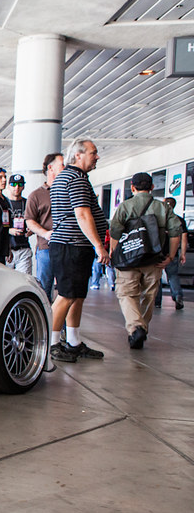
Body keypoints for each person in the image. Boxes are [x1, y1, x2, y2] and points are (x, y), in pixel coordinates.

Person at [47, 137, 109, 363]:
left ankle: (73, 342)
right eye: (94, 152)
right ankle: (51, 345)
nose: (97, 157)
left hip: (75, 246)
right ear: (78, 155)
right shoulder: (75, 178)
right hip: (70, 246)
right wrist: (99, 245)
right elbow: (82, 214)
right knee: (65, 296)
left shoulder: (74, 177)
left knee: (77, 296)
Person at [109, 173, 184, 349]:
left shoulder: (125, 206)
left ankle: (136, 327)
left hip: (128, 260)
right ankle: (141, 328)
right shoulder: (163, 207)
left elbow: (115, 231)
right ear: (151, 188)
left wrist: (113, 252)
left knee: (127, 294)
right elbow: (175, 232)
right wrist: (171, 256)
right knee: (149, 295)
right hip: (153, 260)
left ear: (132, 188)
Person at [25, 152, 65, 302]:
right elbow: (29, 220)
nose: (66, 168)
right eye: (62, 165)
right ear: (51, 168)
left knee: (66, 292)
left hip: (67, 248)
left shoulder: (67, 192)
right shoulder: (36, 195)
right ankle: (47, 324)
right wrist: (45, 233)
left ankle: (63, 326)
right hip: (46, 249)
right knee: (44, 290)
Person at [153, 197, 186, 310]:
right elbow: (183, 238)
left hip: (158, 253)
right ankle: (178, 296)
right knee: (173, 276)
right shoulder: (180, 220)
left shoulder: (157, 220)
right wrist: (182, 253)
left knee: (157, 277)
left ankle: (157, 301)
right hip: (172, 253)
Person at [6, 173, 32, 274]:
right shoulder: (3, 203)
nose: (17, 188)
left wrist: (31, 230)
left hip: (23, 247)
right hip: (7, 249)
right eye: (13, 184)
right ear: (8, 186)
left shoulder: (27, 203)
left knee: (25, 279)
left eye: (20, 185)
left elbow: (35, 221)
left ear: (23, 186)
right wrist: (9, 230)